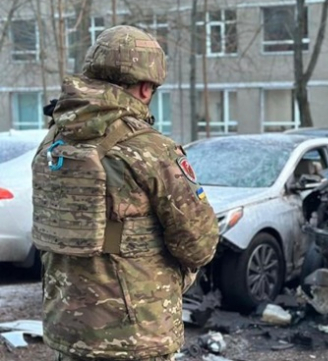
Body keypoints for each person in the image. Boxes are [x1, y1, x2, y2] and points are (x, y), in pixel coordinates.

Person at [30, 25, 220, 361]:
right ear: (146, 88)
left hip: (68, 330)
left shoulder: (54, 139)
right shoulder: (150, 149)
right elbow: (199, 244)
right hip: (134, 338)